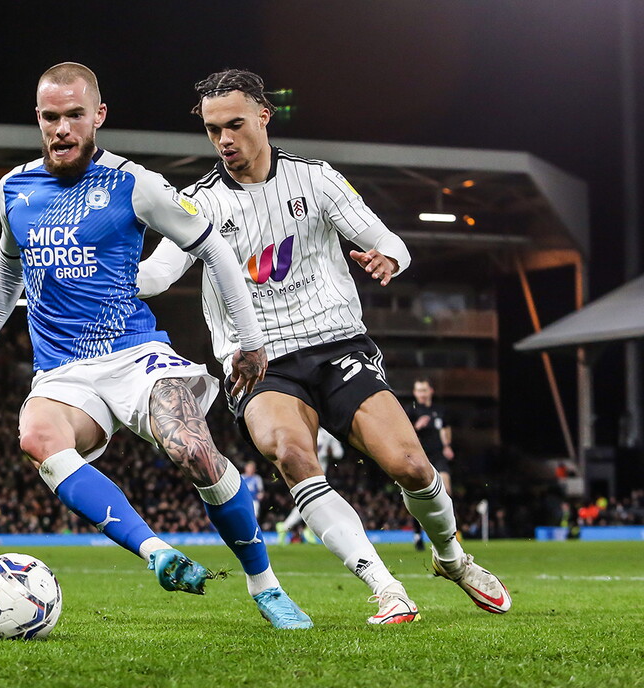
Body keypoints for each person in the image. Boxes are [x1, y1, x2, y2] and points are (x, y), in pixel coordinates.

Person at [137, 68, 511, 621]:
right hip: (261, 364)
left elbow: (390, 242)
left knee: (411, 466)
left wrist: (389, 259)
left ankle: (453, 559)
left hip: (338, 346)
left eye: (235, 125)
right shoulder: (197, 204)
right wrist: (85, 267)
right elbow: (155, 276)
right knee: (291, 453)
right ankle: (386, 588)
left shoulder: (316, 181)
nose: (224, 141)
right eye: (213, 131)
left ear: (265, 116)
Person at [0, 62, 310, 629]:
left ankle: (264, 584)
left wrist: (248, 338)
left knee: (191, 448)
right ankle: (157, 553)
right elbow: (7, 267)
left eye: (74, 115)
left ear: (99, 115)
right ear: (37, 119)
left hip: (135, 356)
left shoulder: (133, 184)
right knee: (37, 436)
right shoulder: (13, 189)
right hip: (63, 371)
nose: (62, 129)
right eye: (50, 117)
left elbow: (211, 247)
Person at [406, 378, 453, 550]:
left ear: (431, 391)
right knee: (419, 496)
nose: (422, 394)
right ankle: (418, 534)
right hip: (420, 458)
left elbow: (445, 427)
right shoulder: (411, 410)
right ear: (414, 393)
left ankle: (447, 534)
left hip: (438, 455)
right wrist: (417, 427)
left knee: (447, 491)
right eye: (418, 391)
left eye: (424, 390)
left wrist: (447, 445)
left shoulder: (439, 410)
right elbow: (404, 434)